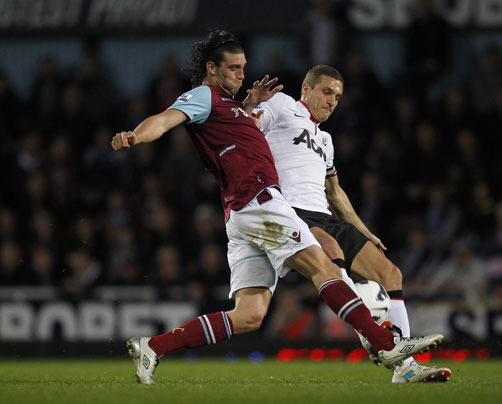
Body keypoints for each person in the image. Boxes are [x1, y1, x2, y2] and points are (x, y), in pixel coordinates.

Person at [111, 29, 442, 385]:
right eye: (234, 68)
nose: (241, 75)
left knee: (249, 315)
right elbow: (166, 118)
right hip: (260, 202)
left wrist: (248, 106)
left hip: (240, 215)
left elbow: (258, 138)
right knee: (324, 265)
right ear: (211, 67)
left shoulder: (234, 109)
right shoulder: (206, 96)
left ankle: (153, 346)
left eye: (243, 67)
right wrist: (135, 135)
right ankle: (385, 344)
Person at [248, 64, 451, 383]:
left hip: (324, 216)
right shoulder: (283, 105)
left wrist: (364, 230)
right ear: (306, 89)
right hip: (288, 210)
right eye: (326, 92)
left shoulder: (326, 140)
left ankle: (405, 367)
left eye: (338, 97)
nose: (332, 101)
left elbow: (335, 193)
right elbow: (248, 127)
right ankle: (371, 335)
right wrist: (250, 108)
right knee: (331, 251)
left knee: (391, 273)